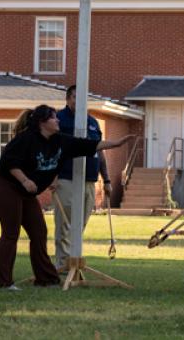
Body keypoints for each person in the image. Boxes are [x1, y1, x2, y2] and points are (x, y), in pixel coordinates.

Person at [0, 104, 133, 289]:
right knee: (11, 233)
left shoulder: (60, 141)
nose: (58, 120)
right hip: (7, 186)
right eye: (53, 117)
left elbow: (87, 145)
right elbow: (8, 162)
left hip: (27, 192)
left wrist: (116, 143)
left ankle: (46, 279)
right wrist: (25, 180)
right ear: (42, 122)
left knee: (39, 232)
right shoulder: (26, 139)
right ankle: (2, 281)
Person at [53, 85, 111, 271]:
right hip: (66, 177)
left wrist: (107, 180)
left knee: (80, 224)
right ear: (68, 99)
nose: (79, 102)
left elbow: (100, 152)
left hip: (89, 180)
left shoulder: (93, 122)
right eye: (76, 97)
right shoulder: (58, 120)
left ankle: (74, 260)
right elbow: (51, 150)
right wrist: (51, 177)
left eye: (83, 98)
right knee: (65, 223)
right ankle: (63, 264)